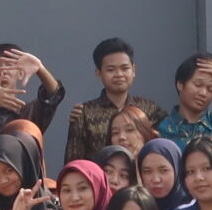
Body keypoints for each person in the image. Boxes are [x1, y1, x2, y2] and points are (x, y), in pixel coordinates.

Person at [61, 39, 168, 168]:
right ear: (98, 73)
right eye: (111, 70)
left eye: (125, 68)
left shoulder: (150, 109)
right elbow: (73, 165)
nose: (119, 74)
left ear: (133, 70)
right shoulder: (84, 114)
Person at [0, 45, 66, 158]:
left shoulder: (30, 112)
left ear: (20, 73)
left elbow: (54, 95)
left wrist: (40, 68)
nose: (3, 71)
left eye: (10, 65)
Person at [134, 141, 185, 210]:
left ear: (177, 169)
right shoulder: (135, 208)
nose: (156, 180)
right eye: (147, 171)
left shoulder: (194, 208)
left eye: (164, 171)